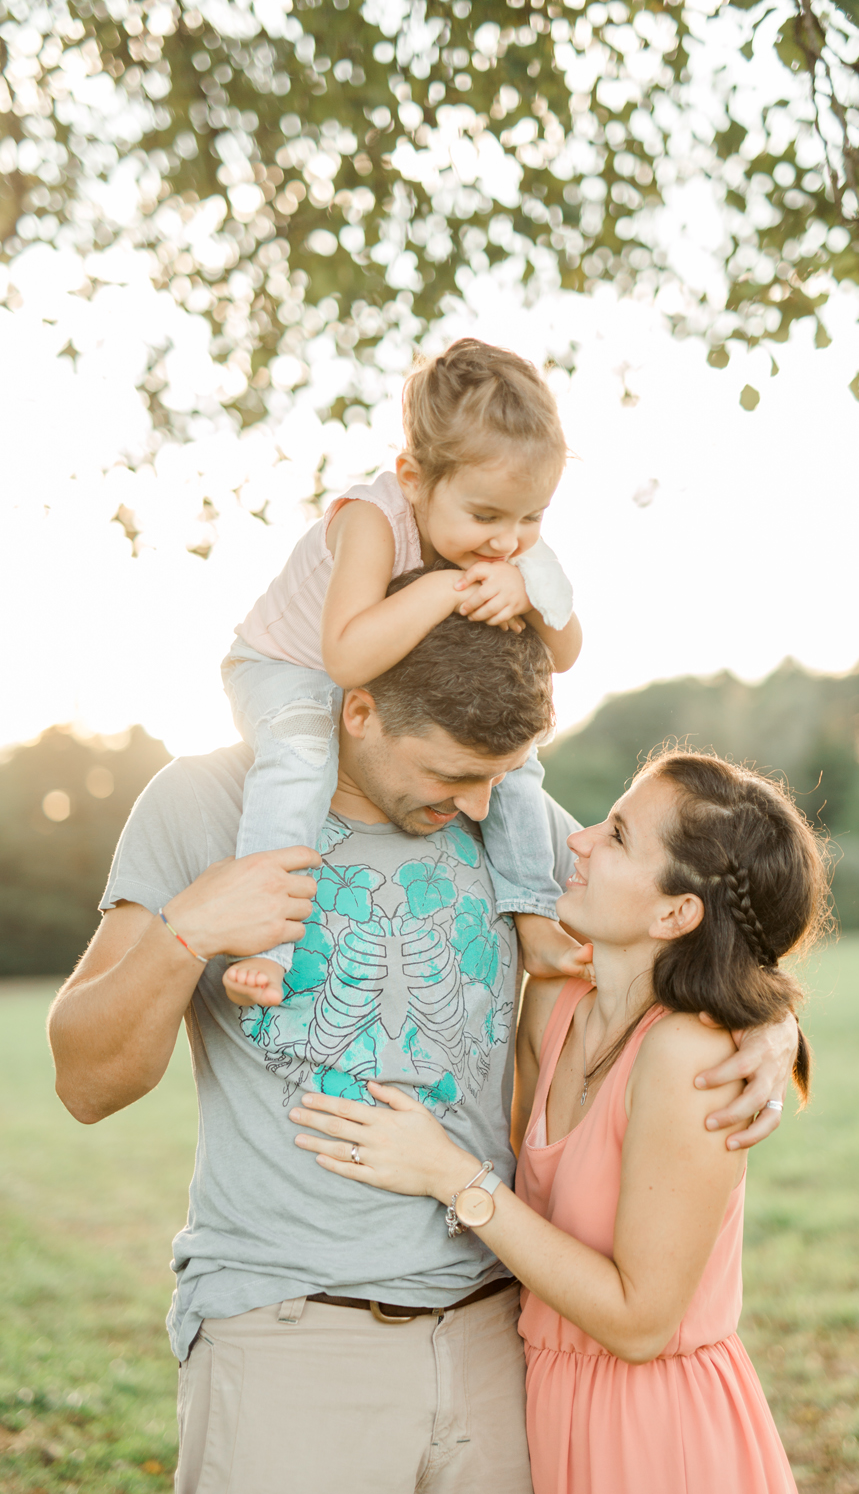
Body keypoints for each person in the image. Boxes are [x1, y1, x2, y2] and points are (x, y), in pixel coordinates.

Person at [49, 583, 798, 1494]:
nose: (480, 803)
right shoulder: (205, 804)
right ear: (359, 711)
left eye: (501, 774)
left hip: (499, 1344)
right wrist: (187, 933)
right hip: (290, 1337)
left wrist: (770, 1024)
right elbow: (86, 1084)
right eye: (452, 775)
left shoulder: (508, 817)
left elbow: (696, 921)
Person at [289, 748, 828, 1494]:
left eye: (616, 836)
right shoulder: (556, 1003)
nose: (576, 839)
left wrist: (451, 1176)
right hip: (548, 1407)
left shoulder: (689, 1059)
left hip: (657, 1434)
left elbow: (641, 1323)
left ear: (676, 913)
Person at [221, 337, 586, 1006]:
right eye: (485, 516)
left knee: (508, 757)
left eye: (532, 517)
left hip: (386, 684)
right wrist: (446, 589)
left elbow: (565, 652)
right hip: (287, 664)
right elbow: (345, 659)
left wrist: (529, 590)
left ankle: (534, 916)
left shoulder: (503, 534)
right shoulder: (373, 521)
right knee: (302, 753)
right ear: (415, 479)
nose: (506, 540)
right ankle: (263, 942)